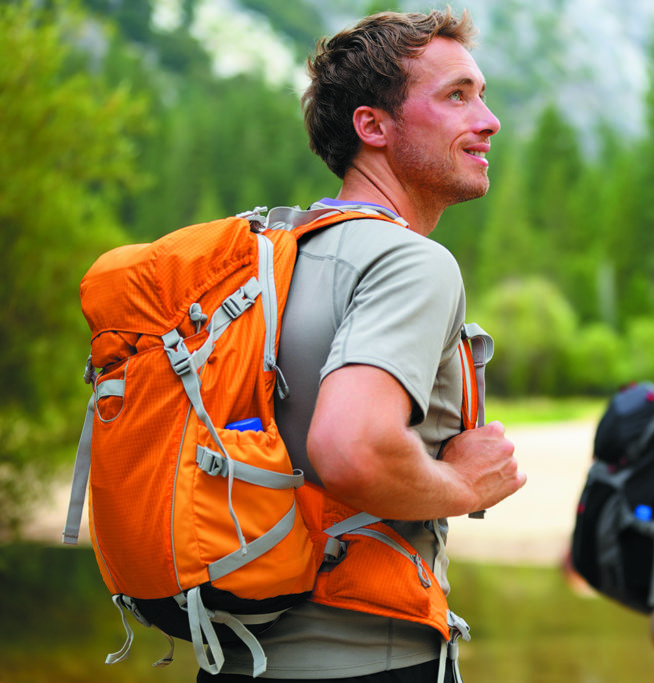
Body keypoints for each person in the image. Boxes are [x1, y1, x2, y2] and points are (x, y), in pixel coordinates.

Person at [199, 9, 526, 682]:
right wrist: (462, 484)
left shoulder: (265, 264)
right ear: (373, 127)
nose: (489, 120)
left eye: (483, 95)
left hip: (230, 657)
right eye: (457, 95)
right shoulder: (410, 263)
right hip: (365, 661)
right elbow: (350, 448)